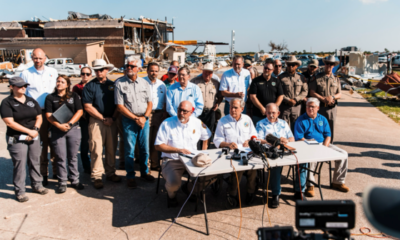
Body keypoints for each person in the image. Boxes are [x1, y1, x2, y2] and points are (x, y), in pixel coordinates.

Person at [155, 101, 212, 207]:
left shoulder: (197, 122)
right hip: (172, 160)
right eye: (179, 110)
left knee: (212, 175)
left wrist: (204, 152)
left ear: (191, 112)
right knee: (173, 184)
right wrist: (178, 150)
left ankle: (190, 189)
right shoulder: (167, 123)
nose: (181, 113)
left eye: (185, 111)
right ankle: (171, 195)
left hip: (192, 159)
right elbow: (158, 146)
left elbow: (207, 136)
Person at [0, 77, 48, 202]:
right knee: (20, 164)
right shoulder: (7, 102)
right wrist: (28, 131)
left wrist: (35, 130)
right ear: (11, 87)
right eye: (19, 86)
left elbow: (39, 117)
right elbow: (9, 122)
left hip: (33, 135)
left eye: (25, 85)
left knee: (35, 160)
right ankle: (20, 191)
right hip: (17, 137)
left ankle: (37, 185)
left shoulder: (31, 101)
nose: (23, 87)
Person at [294, 98, 349, 196]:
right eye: (308, 106)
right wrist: (312, 146)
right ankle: (310, 185)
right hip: (307, 145)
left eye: (312, 107)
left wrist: (324, 148)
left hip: (323, 144)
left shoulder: (323, 119)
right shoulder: (300, 120)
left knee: (343, 154)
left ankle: (338, 182)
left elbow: (328, 135)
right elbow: (299, 138)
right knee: (311, 158)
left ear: (318, 108)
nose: (310, 108)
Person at [115, 56, 155, 189]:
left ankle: (145, 172)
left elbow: (150, 103)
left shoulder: (144, 83)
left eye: (132, 66)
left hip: (144, 119)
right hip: (129, 121)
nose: (129, 68)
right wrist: (135, 118)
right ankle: (130, 176)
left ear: (138, 68)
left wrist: (144, 117)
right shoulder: (120, 83)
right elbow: (120, 106)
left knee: (145, 149)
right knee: (129, 150)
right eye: (127, 66)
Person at [255, 103, 306, 207]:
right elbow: (258, 140)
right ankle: (275, 194)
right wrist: (275, 141)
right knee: (276, 165)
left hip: (285, 149)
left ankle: (299, 191)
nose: (271, 115)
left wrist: (286, 140)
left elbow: (292, 138)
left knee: (302, 162)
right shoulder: (260, 124)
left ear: (278, 113)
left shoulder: (283, 123)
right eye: (268, 113)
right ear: (265, 113)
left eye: (273, 113)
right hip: (271, 151)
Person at [20, 48, 58, 186]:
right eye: (35, 58)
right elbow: (22, 95)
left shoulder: (52, 72)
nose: (38, 61)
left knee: (55, 142)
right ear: (32, 58)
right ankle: (43, 173)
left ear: (45, 58)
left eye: (40, 58)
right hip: (36, 114)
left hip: (53, 113)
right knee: (41, 145)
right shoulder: (25, 74)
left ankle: (56, 171)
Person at [82, 59, 121, 189]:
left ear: (106, 70)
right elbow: (87, 106)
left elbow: (118, 104)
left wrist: (113, 118)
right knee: (96, 149)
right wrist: (103, 118)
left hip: (112, 120)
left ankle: (110, 173)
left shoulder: (113, 85)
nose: (98, 72)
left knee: (111, 148)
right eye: (96, 70)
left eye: (101, 69)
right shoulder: (89, 86)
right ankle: (97, 176)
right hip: (96, 121)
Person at [213, 98, 258, 205]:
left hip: (247, 152)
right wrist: (228, 144)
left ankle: (250, 192)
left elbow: (254, 135)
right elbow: (217, 140)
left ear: (242, 109)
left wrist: (250, 140)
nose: (232, 110)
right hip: (231, 154)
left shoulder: (247, 119)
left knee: (253, 169)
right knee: (238, 169)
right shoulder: (223, 121)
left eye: (235, 107)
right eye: (231, 107)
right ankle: (232, 193)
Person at [45, 75, 84, 193]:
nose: (59, 83)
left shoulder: (74, 96)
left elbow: (80, 111)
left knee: (72, 156)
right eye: (58, 81)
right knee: (60, 157)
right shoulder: (50, 98)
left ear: (67, 85)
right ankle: (62, 182)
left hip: (73, 129)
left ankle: (74, 180)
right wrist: (59, 125)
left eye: (62, 82)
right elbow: (48, 115)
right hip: (57, 130)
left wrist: (70, 123)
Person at [309, 56, 341, 142]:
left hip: (331, 109)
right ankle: (319, 146)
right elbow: (312, 92)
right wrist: (323, 98)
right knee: (319, 127)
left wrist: (332, 97)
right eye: (327, 63)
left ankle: (330, 146)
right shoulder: (317, 77)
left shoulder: (336, 79)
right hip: (320, 108)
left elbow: (339, 94)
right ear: (325, 64)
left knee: (330, 129)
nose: (329, 65)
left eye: (331, 64)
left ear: (334, 65)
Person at [190, 62, 223, 147]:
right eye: (206, 72)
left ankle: (206, 151)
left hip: (210, 112)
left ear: (212, 73)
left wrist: (218, 103)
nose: (207, 74)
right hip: (198, 112)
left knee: (208, 133)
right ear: (202, 71)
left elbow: (220, 96)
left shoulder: (216, 83)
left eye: (210, 72)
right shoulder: (194, 82)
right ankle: (196, 150)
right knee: (196, 132)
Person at [143, 62, 167, 170]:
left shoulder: (162, 84)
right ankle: (145, 166)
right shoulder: (142, 82)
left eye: (156, 71)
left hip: (158, 114)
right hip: (145, 114)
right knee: (145, 141)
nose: (154, 73)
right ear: (147, 70)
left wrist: (164, 113)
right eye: (152, 70)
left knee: (155, 141)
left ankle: (155, 164)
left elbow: (165, 101)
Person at [278, 56, 308, 131]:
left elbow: (305, 91)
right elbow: (278, 92)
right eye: (289, 65)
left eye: (293, 65)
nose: (291, 67)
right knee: (282, 128)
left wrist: (296, 99)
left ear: (296, 66)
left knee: (296, 128)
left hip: (296, 107)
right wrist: (288, 100)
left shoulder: (301, 77)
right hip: (284, 106)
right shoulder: (281, 77)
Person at [72, 67, 92, 174]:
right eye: (83, 74)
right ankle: (86, 166)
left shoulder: (94, 85)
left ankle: (95, 164)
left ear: (91, 75)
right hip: (83, 119)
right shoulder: (76, 87)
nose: (85, 76)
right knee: (85, 143)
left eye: (87, 74)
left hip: (94, 117)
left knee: (95, 143)